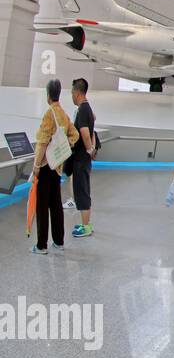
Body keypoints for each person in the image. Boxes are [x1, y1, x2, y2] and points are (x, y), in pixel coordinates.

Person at [30, 79, 78, 255]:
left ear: (48, 94)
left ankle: (41, 245)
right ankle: (58, 241)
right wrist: (64, 147)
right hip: (57, 166)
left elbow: (42, 142)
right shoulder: (63, 114)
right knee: (56, 204)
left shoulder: (49, 113)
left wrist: (36, 165)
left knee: (42, 206)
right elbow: (75, 134)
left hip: (45, 166)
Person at [68, 78, 97, 238]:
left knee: (82, 190)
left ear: (77, 92)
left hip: (80, 158)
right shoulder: (87, 109)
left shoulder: (83, 109)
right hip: (83, 158)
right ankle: (86, 223)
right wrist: (91, 150)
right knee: (83, 189)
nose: (71, 95)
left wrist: (89, 149)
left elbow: (85, 132)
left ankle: (85, 226)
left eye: (72, 92)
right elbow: (93, 125)